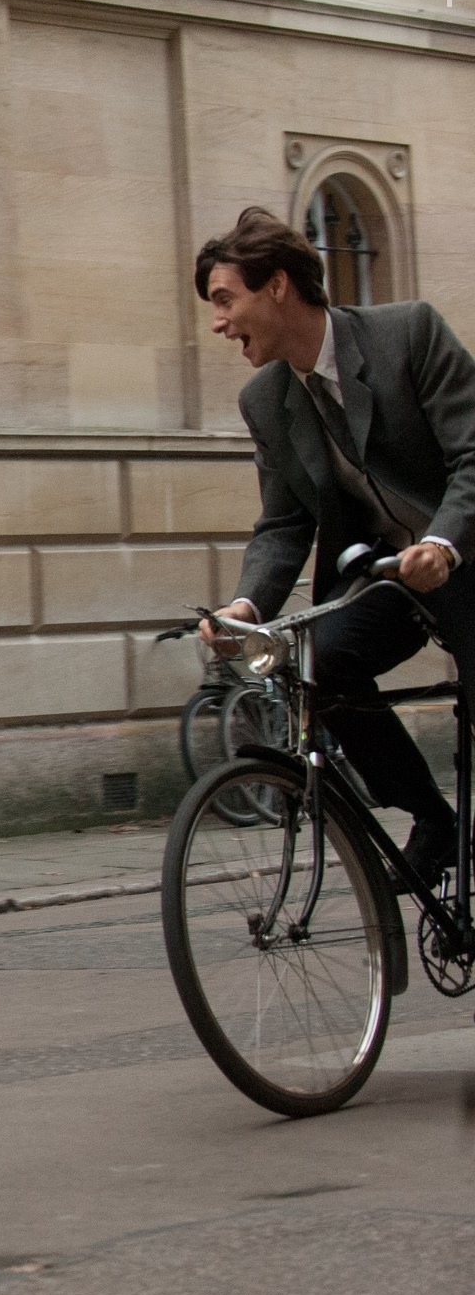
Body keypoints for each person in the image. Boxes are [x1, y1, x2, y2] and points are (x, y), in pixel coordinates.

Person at [196, 205, 475, 886]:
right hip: (390, 572)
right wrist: (245, 606)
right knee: (325, 667)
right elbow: (284, 523)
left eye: (225, 299)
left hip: (464, 552)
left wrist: (443, 542)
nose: (218, 322)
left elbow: (472, 455)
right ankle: (431, 819)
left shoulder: (408, 334)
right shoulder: (266, 400)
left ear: (278, 285)